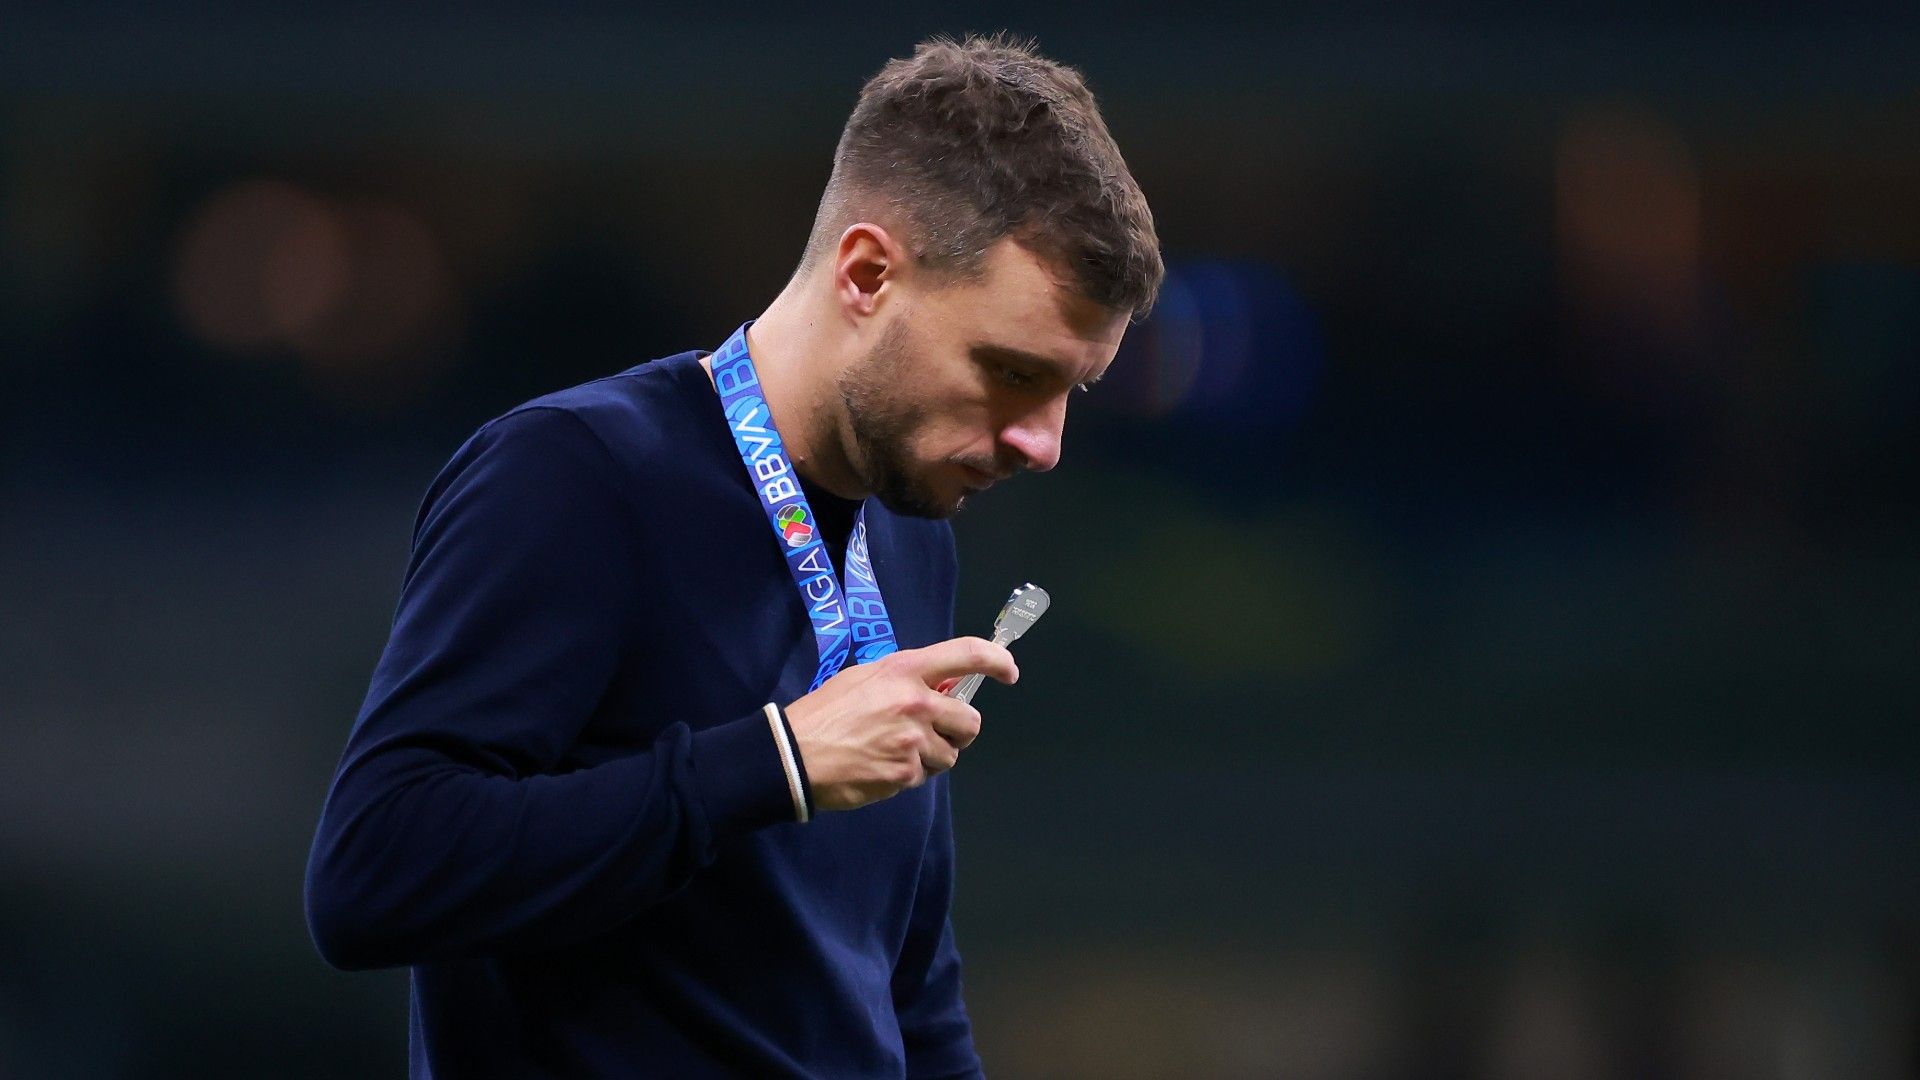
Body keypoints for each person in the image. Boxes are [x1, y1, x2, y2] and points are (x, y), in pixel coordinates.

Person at [304, 31, 1161, 1078]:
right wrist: (773, 763)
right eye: (1011, 370)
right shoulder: (578, 476)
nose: (1044, 441)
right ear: (866, 272)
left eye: (1073, 388)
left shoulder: (914, 529)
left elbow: (905, 980)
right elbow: (374, 872)